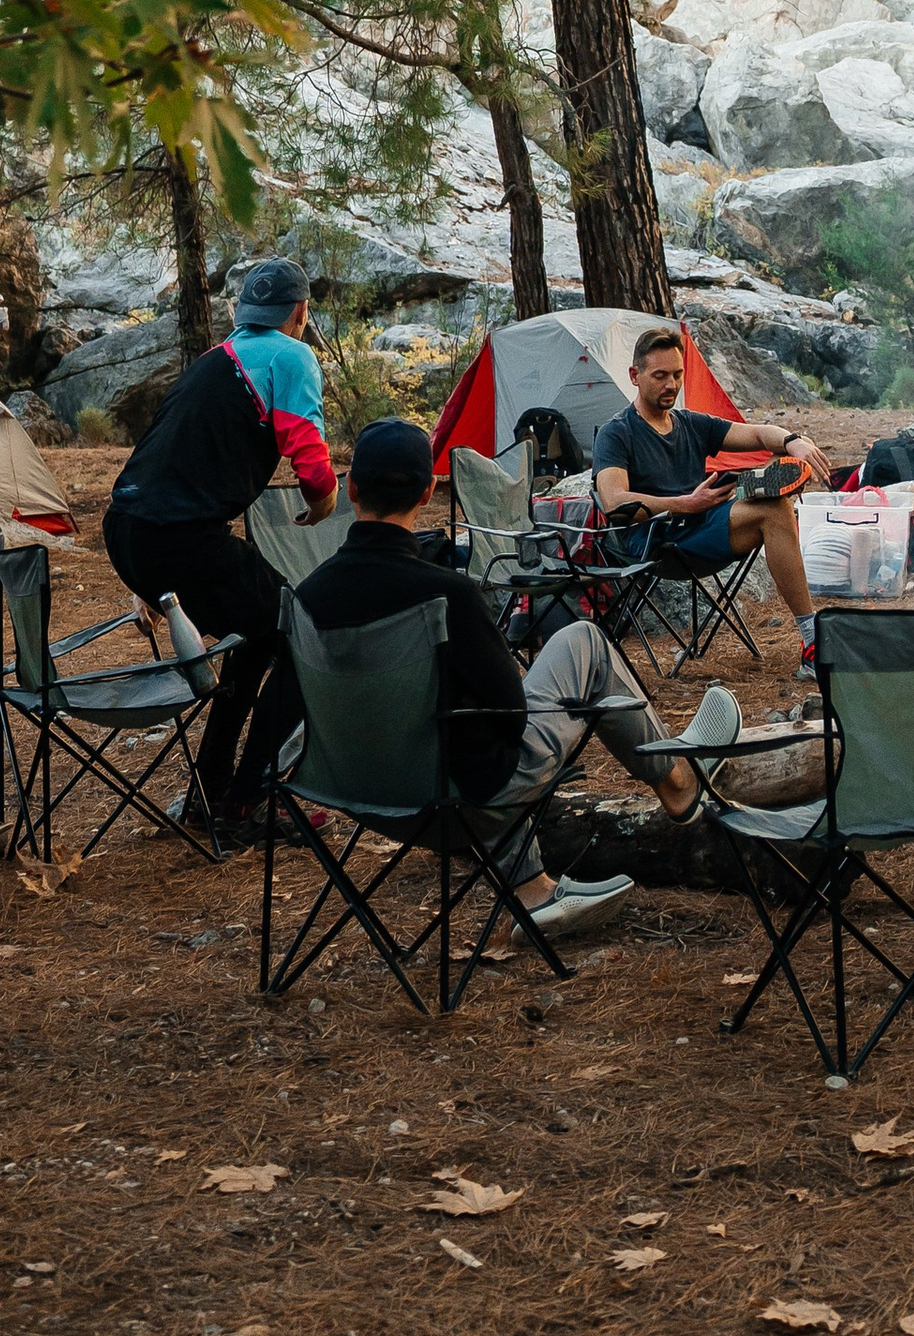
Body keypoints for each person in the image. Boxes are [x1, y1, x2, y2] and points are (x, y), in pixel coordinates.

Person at [296, 417, 737, 939]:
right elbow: (510, 714)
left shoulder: (305, 599)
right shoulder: (448, 596)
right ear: (428, 490)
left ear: (349, 488)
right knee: (584, 644)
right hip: (457, 799)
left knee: (457, 731)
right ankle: (679, 780)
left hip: (360, 798)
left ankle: (533, 892)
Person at [100, 256, 335, 834]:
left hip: (129, 530)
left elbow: (165, 458)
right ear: (300, 312)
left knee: (258, 638)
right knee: (303, 636)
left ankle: (215, 792)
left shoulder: (214, 360)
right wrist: (324, 501)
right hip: (178, 539)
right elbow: (307, 450)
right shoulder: (291, 354)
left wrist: (147, 580)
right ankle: (247, 797)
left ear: (244, 313)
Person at [591, 324, 830, 662]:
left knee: (778, 477)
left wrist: (795, 441)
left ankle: (754, 485)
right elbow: (615, 503)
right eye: (660, 375)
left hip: (698, 527)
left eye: (677, 374)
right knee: (774, 510)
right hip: (656, 542)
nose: (671, 384)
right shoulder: (617, 434)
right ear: (635, 375)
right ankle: (812, 641)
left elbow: (759, 434)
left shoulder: (690, 423)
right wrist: (686, 504)